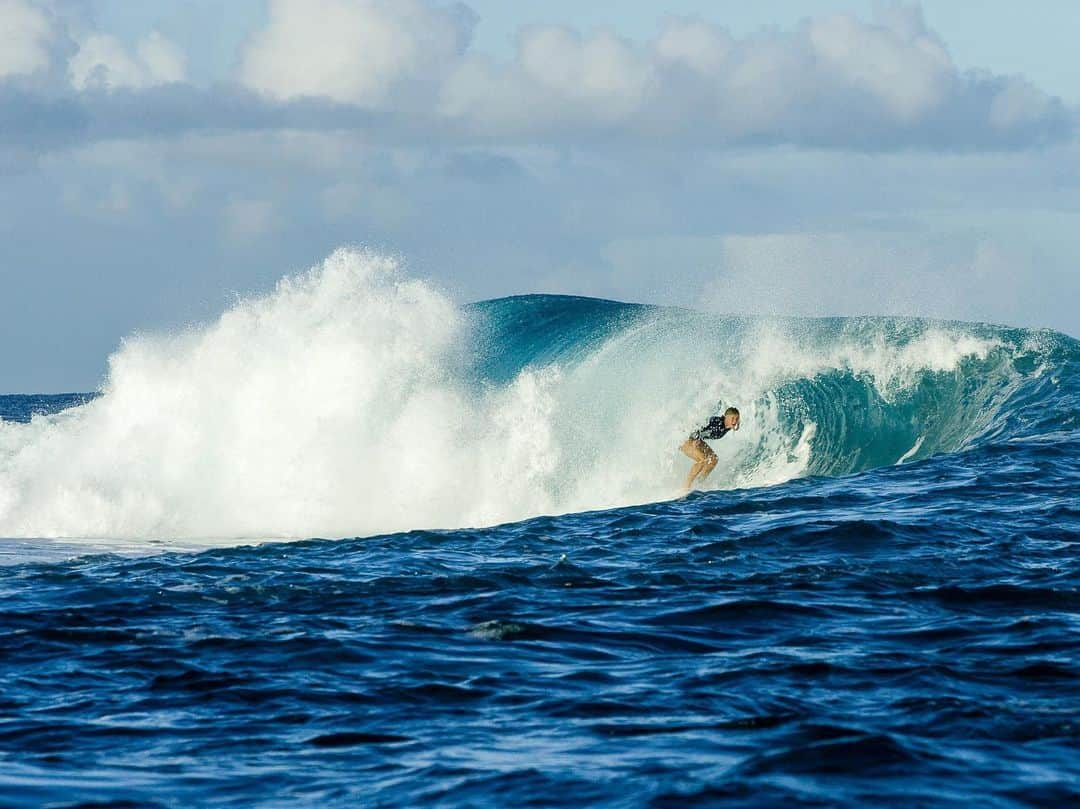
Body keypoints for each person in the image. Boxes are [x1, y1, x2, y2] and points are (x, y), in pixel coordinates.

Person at [680, 406, 740, 491]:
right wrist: (696, 437)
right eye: (732, 418)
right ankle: (685, 487)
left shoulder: (728, 426)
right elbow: (699, 425)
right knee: (702, 460)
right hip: (684, 438)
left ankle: (699, 483)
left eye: (737, 419)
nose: (734, 421)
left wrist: (698, 438)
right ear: (725, 417)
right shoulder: (717, 423)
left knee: (713, 459)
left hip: (697, 439)